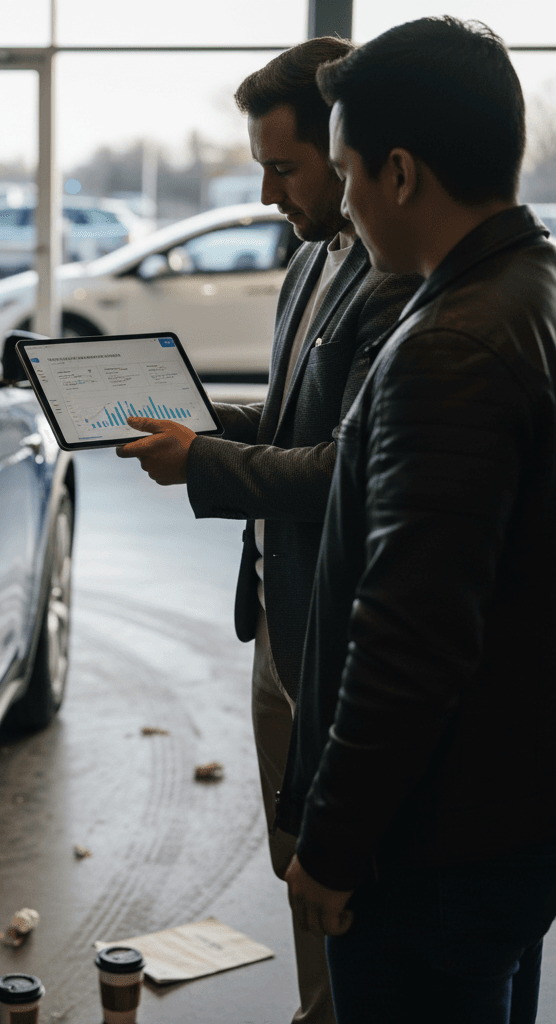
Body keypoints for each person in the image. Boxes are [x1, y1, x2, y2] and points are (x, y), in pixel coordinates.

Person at [115, 38, 420, 1024]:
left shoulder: (398, 285)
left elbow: (347, 471)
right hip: (279, 624)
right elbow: (296, 424)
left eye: (281, 168)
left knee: (346, 872)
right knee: (297, 861)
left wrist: (199, 461)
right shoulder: (310, 262)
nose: (262, 192)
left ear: (345, 153)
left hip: (339, 631)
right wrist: (197, 425)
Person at [274, 17, 556, 1024]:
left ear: (398, 173)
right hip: (509, 820)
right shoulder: (534, 288)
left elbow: (411, 639)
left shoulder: (449, 347)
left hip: (430, 846)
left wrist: (332, 845)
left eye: (344, 169)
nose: (342, 201)